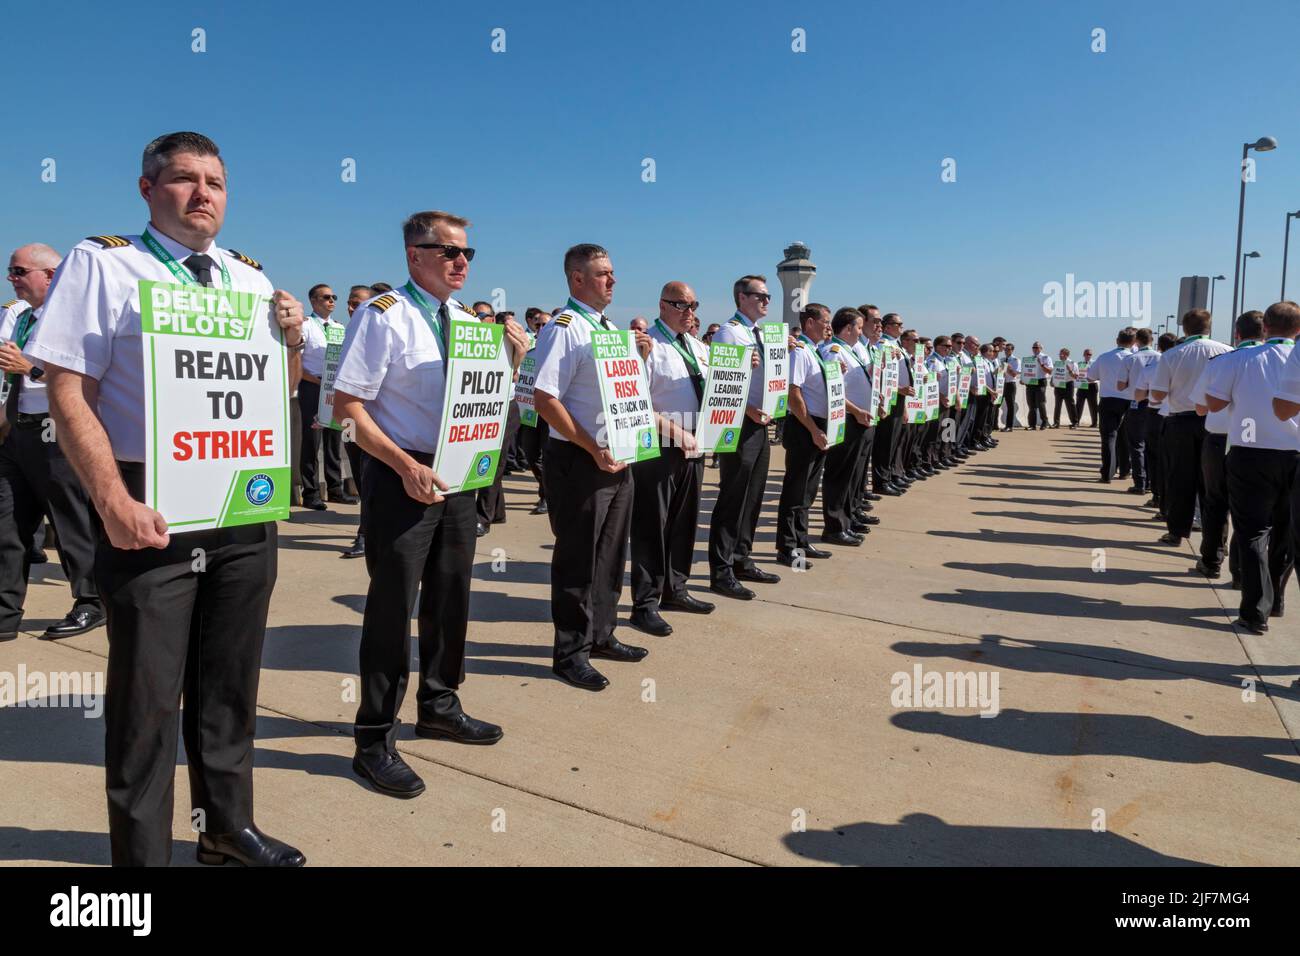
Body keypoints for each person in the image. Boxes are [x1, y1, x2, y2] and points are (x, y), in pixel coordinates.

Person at [29, 130, 306, 866]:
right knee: (148, 699)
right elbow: (67, 387)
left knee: (230, 681)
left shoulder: (248, 279)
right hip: (147, 499)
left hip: (241, 500)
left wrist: (295, 345)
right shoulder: (105, 262)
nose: (203, 192)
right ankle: (142, 859)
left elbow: (269, 398)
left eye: (215, 180)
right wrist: (111, 501)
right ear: (148, 188)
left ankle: (226, 828)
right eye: (184, 178)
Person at [333, 210, 526, 797]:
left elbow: (485, 399)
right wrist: (404, 465)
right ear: (415, 255)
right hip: (402, 475)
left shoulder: (468, 321)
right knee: (393, 607)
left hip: (458, 476)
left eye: (467, 253)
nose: (461, 262)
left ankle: (440, 703)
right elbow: (347, 409)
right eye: (448, 252)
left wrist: (511, 360)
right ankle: (373, 738)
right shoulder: (383, 316)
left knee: (451, 596)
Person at [532, 244, 650, 691]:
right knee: (577, 561)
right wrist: (592, 448)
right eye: (603, 274)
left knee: (610, 554)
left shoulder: (606, 329)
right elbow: (546, 399)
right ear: (577, 279)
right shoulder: (563, 328)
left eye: (613, 272)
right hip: (581, 459)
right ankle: (570, 654)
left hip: (616, 456)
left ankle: (601, 634)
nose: (613, 281)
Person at [0, 244, 105, 641]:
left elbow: (86, 379)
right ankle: (4, 610)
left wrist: (31, 367)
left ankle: (91, 601)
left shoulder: (75, 319)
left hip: (57, 428)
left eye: (19, 271)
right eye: (10, 271)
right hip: (19, 428)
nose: (11, 278)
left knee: (69, 518)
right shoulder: (22, 318)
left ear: (51, 274)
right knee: (8, 523)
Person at [1205, 301, 1299, 634]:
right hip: (1296, 454)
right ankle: (1277, 599)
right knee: (1287, 531)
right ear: (1297, 329)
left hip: (1251, 450)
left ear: (1266, 328)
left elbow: (1213, 404)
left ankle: (1255, 609)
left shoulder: (1238, 359)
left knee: (1252, 531)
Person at [629, 282, 715, 637]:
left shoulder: (697, 346)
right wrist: (676, 434)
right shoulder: (648, 345)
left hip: (694, 447)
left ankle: (676, 589)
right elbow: (637, 403)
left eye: (693, 304)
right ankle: (644, 604)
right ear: (662, 305)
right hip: (660, 449)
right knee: (652, 527)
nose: (689, 311)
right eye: (681, 304)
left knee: (684, 523)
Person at [707, 275, 782, 599]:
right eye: (760, 295)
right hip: (739, 423)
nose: (766, 301)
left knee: (753, 496)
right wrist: (749, 405)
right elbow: (721, 382)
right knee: (733, 497)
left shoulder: (760, 333)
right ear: (741, 297)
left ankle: (742, 557)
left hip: (759, 422)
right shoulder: (729, 332)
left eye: (768, 296)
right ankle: (721, 571)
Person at [1148, 309, 1231, 545]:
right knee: (1215, 484)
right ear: (1210, 327)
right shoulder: (1227, 352)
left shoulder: (1172, 355)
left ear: (1184, 329)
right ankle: (1216, 540)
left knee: (1180, 478)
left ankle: (1177, 531)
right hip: (1215, 422)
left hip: (1181, 421)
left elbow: (1157, 394)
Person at [1193, 314, 1262, 581]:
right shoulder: (1284, 361)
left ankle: (1212, 560)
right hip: (1259, 443)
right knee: (1250, 510)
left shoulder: (1221, 363)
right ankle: (1242, 570)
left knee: (1215, 502)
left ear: (1237, 333)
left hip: (1220, 439)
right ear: (1264, 332)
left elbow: (1200, 408)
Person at [777, 304, 836, 563]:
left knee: (808, 492)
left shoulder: (815, 351)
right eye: (825, 321)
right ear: (810, 322)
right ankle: (788, 548)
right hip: (804, 428)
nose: (828, 326)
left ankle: (801, 541)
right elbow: (794, 393)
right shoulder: (799, 352)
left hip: (817, 427)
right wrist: (813, 429)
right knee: (796, 491)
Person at [819, 308, 875, 542]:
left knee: (853, 474)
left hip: (861, 418)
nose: (861, 332)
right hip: (848, 419)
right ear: (848, 328)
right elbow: (834, 392)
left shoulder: (851, 351)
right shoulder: (834, 352)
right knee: (839, 475)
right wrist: (856, 410)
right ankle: (834, 526)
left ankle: (847, 518)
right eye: (859, 327)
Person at [298, 284, 355, 511]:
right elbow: (296, 361)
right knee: (312, 441)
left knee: (334, 439)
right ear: (313, 301)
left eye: (334, 297)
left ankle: (335, 488)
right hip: (313, 385)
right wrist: (318, 382)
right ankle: (310, 491)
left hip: (334, 387)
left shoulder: (339, 327)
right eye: (326, 297)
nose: (331, 301)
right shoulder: (306, 325)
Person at [340, 285, 373, 559]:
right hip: (349, 424)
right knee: (361, 478)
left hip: (376, 425)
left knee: (371, 478)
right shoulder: (343, 335)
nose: (354, 308)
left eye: (360, 303)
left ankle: (365, 533)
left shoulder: (379, 331)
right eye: (351, 303)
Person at [1087, 328, 1138, 483]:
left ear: (1117, 340)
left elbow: (1090, 377)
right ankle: (1125, 470)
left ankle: (1107, 473)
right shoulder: (1135, 358)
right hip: (1129, 400)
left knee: (1108, 437)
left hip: (1108, 400)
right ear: (1134, 343)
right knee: (1125, 437)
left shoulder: (1104, 357)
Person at [516, 307, 551, 516]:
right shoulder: (529, 354)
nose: (542, 328)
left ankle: (546, 496)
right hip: (530, 411)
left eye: (546, 324)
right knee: (530, 453)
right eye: (538, 324)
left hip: (552, 413)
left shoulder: (560, 352)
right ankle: (547, 488)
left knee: (547, 455)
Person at [1118, 329, 1159, 494]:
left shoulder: (1130, 359)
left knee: (1136, 445)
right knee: (1153, 446)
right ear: (1151, 340)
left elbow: (1120, 386)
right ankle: (1152, 483)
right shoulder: (1162, 358)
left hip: (1136, 403)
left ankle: (1140, 483)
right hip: (1157, 405)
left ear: (1136, 341)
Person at [1023, 342, 1050, 429]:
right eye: (1033, 347)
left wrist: (1041, 364)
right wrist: (1023, 379)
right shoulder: (1029, 358)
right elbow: (1026, 371)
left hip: (1040, 382)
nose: (1035, 349)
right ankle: (1032, 425)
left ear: (1041, 348)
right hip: (1031, 382)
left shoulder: (1045, 357)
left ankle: (1044, 422)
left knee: (1041, 403)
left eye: (1037, 347)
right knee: (1031, 404)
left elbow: (1049, 371)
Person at [1051, 347, 1079, 428]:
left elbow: (1076, 377)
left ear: (1066, 355)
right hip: (1059, 385)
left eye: (1061, 354)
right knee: (1057, 405)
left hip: (1068, 385)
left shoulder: (1072, 363)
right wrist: (1052, 381)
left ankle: (1075, 422)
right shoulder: (1057, 363)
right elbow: (1054, 374)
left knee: (1070, 404)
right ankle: (1056, 423)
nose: (1060, 355)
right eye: (1059, 353)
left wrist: (1070, 371)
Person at [1074, 348, 1098, 426]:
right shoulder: (1079, 363)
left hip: (1092, 386)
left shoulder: (1095, 363)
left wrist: (1093, 378)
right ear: (1084, 355)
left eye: (1090, 354)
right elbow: (1076, 374)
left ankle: (1094, 423)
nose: (1088, 356)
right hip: (1081, 385)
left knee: (1093, 405)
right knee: (1079, 405)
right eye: (1087, 354)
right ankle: (1076, 421)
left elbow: (1099, 375)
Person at [1000, 341, 1019, 430]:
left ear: (1012, 350)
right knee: (997, 403)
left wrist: (1008, 368)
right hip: (1002, 383)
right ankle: (994, 424)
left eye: (1008, 349)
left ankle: (1009, 426)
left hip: (1010, 384)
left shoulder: (1015, 360)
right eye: (1005, 349)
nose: (1006, 351)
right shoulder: (1002, 359)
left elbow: (1015, 374)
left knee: (1010, 405)